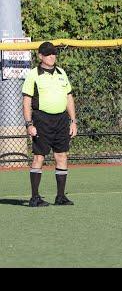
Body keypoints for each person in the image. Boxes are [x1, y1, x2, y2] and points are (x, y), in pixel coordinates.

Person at [22, 41, 78, 207]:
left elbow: (69, 98)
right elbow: (26, 101)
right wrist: (29, 124)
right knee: (39, 157)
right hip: (42, 120)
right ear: (40, 56)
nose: (52, 56)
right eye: (48, 54)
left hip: (61, 120)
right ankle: (35, 197)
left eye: (53, 53)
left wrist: (73, 121)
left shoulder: (61, 73)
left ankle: (60, 196)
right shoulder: (33, 75)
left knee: (61, 156)